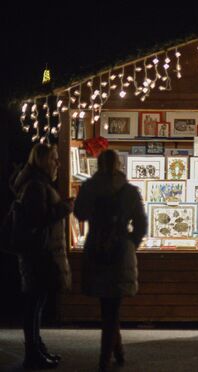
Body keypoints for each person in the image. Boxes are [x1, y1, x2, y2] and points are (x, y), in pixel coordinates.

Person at [74, 149, 147, 371]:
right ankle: (110, 355)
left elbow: (80, 214)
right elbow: (141, 225)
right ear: (118, 164)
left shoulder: (89, 188)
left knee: (106, 304)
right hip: (120, 249)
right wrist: (129, 243)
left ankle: (111, 353)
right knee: (112, 304)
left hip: (96, 246)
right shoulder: (130, 191)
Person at [11, 143, 72, 369]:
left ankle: (37, 348)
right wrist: (64, 208)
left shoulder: (37, 184)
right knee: (34, 303)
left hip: (37, 253)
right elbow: (37, 219)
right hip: (38, 254)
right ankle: (33, 352)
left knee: (36, 303)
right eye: (54, 158)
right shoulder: (36, 186)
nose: (57, 163)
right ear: (44, 160)